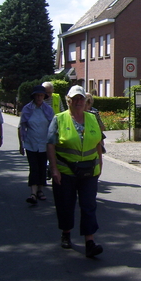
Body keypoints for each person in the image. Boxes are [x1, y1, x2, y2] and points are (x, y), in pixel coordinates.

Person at [47, 85, 104, 258]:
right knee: (66, 204)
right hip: (66, 170)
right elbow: (50, 144)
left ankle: (89, 241)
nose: (79, 102)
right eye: (75, 99)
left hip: (89, 171)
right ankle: (66, 232)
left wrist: (100, 163)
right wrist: (54, 168)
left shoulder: (92, 118)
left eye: (81, 99)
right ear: (68, 101)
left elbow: (98, 143)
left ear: (85, 101)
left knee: (88, 205)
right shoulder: (59, 119)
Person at [18, 85, 54, 204]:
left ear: (44, 96)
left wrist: (53, 144)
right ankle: (33, 193)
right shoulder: (27, 109)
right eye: (37, 95)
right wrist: (21, 144)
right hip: (31, 143)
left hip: (44, 144)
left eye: (41, 95)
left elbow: (53, 128)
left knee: (42, 167)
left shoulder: (48, 110)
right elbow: (22, 127)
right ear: (33, 96)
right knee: (34, 168)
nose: (39, 97)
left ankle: (40, 190)